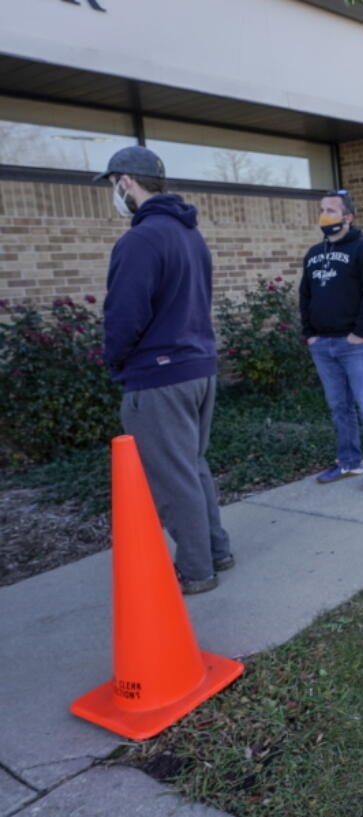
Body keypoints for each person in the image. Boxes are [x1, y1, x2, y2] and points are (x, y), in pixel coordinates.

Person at [98, 146, 232, 595]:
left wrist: (115, 360)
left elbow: (124, 316)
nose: (114, 194)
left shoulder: (140, 240)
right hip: (198, 367)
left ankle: (196, 571)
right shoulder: (190, 235)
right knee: (192, 467)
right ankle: (216, 551)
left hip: (159, 376)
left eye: (113, 184)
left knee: (174, 478)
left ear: (125, 182)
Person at [299, 189, 363, 491]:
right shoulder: (314, 254)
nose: (324, 215)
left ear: (348, 217)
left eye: (330, 210)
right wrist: (309, 332)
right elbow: (305, 294)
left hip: (357, 344)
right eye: (322, 210)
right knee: (339, 407)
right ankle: (349, 462)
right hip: (323, 344)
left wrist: (359, 332)